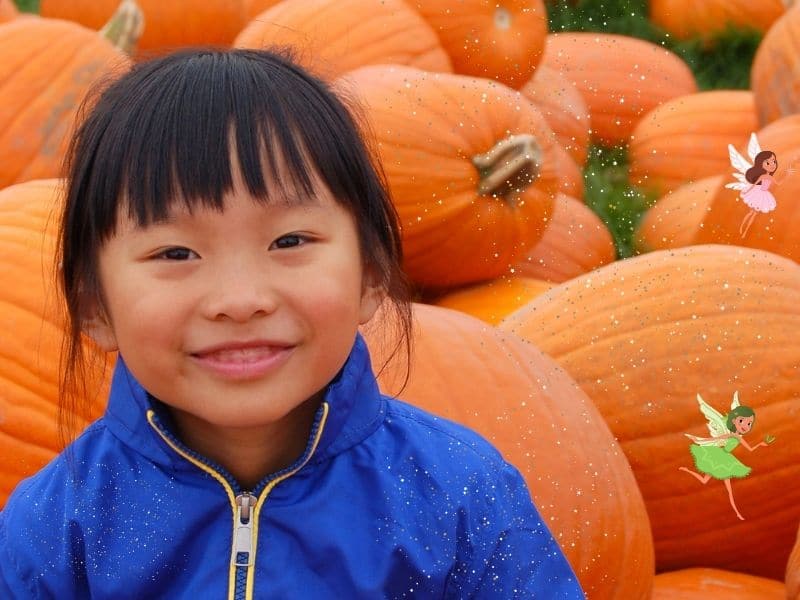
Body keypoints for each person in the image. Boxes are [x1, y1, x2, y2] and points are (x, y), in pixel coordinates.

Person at [0, 48, 584, 598]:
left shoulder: (458, 496)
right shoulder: (57, 529)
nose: (240, 299)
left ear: (372, 275)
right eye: (175, 253)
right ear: (94, 306)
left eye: (290, 240)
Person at [679, 393, 775, 521]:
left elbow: (750, 449)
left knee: (724, 487)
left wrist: (761, 444)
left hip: (726, 459)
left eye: (749, 424)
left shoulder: (739, 438)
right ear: (734, 421)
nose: (745, 426)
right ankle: (687, 471)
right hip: (719, 456)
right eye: (742, 421)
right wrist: (699, 440)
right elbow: (717, 438)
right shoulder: (732, 436)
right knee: (710, 482)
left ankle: (736, 512)